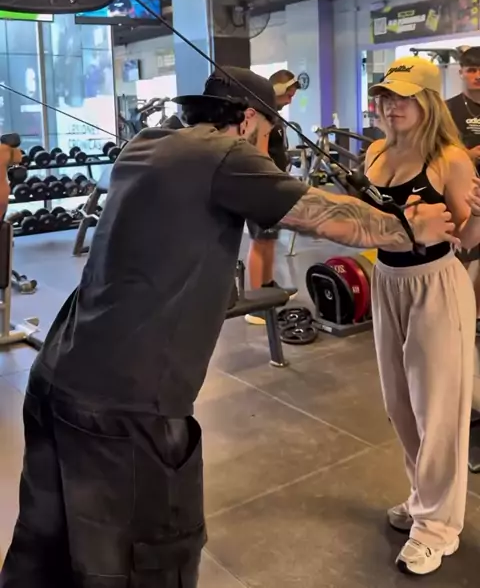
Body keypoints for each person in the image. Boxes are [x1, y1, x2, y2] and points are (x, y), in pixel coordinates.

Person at [1, 67, 457, 588]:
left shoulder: (147, 142)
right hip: (127, 403)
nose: (267, 146)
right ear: (248, 120)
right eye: (269, 132)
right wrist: (409, 229)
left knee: (42, 550)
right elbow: (320, 213)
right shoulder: (227, 153)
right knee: (147, 562)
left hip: (56, 377)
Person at [365, 56, 480, 577]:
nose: (391, 106)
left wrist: (479, 214)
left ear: (428, 102)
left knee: (439, 410)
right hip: (387, 280)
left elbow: (467, 237)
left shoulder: (449, 159)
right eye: (385, 96)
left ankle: (438, 527)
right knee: (401, 404)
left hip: (436, 284)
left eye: (403, 97)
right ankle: (422, 497)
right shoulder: (375, 152)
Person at [245, 68, 299, 325]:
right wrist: (268, 184)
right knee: (260, 241)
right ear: (277, 90)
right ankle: (256, 303)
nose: (291, 99)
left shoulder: (273, 115)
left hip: (274, 185)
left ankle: (267, 286)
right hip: (262, 187)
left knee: (270, 240)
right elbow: (260, 154)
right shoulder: (262, 116)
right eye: (289, 94)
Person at [446, 46, 480, 324]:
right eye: (471, 70)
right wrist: (467, 155)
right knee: (463, 255)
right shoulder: (447, 110)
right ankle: (457, 317)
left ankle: (476, 316)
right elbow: (436, 153)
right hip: (462, 193)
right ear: (461, 73)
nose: (477, 76)